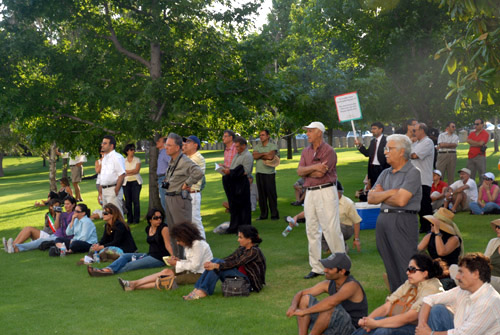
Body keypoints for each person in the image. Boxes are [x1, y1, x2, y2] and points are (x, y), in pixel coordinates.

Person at [368, 134, 422, 292]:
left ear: (401, 151)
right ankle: (397, 297)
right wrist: (391, 192)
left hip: (402, 220)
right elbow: (371, 197)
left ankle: (411, 300)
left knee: (405, 263)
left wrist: (382, 195)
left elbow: (401, 201)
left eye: (389, 148)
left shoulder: (413, 172)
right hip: (383, 220)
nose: (385, 152)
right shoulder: (385, 173)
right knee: (389, 262)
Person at [354, 254, 444, 335]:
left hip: (421, 330)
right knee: (367, 328)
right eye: (408, 269)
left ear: (425, 273)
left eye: (412, 269)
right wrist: (367, 321)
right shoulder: (409, 283)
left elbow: (409, 317)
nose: (407, 272)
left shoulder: (432, 288)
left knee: (383, 331)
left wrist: (376, 324)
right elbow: (387, 307)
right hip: (405, 323)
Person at [298, 121, 344, 279]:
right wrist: (314, 168)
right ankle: (316, 267)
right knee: (311, 229)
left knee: (331, 228)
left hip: (326, 190)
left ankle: (340, 265)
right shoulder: (306, 151)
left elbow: (321, 174)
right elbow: (300, 171)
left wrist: (307, 170)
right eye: (307, 131)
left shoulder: (329, 151)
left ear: (319, 132)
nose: (307, 134)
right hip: (310, 192)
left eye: (310, 131)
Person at [416, 253, 500, 335]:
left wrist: (430, 333)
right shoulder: (463, 290)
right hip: (457, 330)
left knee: (437, 311)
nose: (457, 277)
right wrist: (422, 326)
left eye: (461, 272)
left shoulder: (489, 302)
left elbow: (463, 333)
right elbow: (429, 300)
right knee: (436, 310)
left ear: (475, 274)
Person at [286, 253, 368, 335]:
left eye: (330, 268)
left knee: (329, 307)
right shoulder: (329, 284)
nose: (325, 270)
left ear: (342, 271)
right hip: (337, 323)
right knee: (305, 299)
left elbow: (331, 302)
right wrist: (293, 306)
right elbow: (301, 293)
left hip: (354, 330)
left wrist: (304, 312)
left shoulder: (352, 285)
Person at [117, 222, 213, 291]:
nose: (178, 243)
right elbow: (191, 262)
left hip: (200, 274)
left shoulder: (197, 244)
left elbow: (195, 265)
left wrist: (177, 263)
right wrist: (179, 261)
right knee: (166, 272)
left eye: (179, 240)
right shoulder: (189, 244)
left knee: (168, 280)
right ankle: (134, 283)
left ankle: (135, 285)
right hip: (191, 269)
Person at [183, 225, 266, 300]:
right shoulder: (242, 248)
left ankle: (202, 291)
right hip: (240, 278)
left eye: (241, 237)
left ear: (249, 240)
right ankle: (198, 289)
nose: (238, 240)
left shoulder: (254, 251)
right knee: (215, 260)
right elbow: (230, 258)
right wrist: (212, 263)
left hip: (249, 284)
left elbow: (237, 262)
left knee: (217, 265)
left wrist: (216, 265)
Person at [87, 208, 171, 276]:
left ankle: (106, 272)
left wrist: (173, 257)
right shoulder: (148, 229)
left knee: (130, 265)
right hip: (149, 254)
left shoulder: (164, 228)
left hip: (159, 259)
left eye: (160, 218)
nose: (159, 220)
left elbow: (168, 245)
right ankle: (107, 269)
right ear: (150, 220)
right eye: (156, 218)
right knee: (125, 257)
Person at [287, 181, 362, 252]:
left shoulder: (348, 203)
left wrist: (356, 239)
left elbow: (356, 221)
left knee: (329, 228)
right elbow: (311, 211)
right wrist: (296, 217)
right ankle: (331, 248)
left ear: (339, 192)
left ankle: (342, 248)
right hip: (331, 225)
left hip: (346, 228)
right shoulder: (325, 200)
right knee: (314, 230)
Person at [162, 133, 203, 257]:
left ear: (177, 147)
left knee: (182, 232)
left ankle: (188, 261)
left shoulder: (184, 160)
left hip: (179, 199)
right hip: (169, 198)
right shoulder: (173, 160)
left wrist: (187, 183)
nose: (166, 147)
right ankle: (178, 262)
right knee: (174, 232)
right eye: (166, 145)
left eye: (169, 145)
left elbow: (198, 172)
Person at [223, 136, 254, 234]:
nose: (236, 149)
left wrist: (231, 172)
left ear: (244, 145)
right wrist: (226, 168)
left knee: (243, 206)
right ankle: (235, 227)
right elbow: (233, 167)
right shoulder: (237, 155)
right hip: (233, 182)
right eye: (235, 147)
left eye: (237, 147)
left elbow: (246, 171)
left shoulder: (247, 155)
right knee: (234, 205)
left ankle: (244, 229)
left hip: (241, 183)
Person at [411, 122, 435, 233]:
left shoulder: (428, 142)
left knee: (425, 204)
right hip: (415, 178)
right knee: (418, 204)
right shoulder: (417, 143)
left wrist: (404, 153)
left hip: (424, 178)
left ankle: (430, 226)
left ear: (422, 130)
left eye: (415, 130)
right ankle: (423, 226)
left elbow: (415, 156)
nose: (413, 132)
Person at [182, 135, 206, 238]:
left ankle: (203, 248)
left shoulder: (196, 158)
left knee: (195, 222)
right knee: (190, 223)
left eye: (188, 142)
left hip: (192, 193)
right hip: (188, 194)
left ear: (195, 145)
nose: (185, 144)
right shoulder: (189, 157)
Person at [253, 129, 280, 220]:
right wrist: (264, 153)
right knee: (261, 195)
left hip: (269, 174)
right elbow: (254, 156)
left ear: (268, 136)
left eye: (263, 135)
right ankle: (263, 215)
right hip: (259, 173)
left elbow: (270, 156)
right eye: (260, 135)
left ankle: (274, 215)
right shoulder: (257, 146)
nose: (261, 137)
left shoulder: (273, 146)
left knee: (271, 194)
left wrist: (260, 155)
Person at [355, 122, 390, 189]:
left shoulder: (386, 141)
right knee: (374, 187)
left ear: (380, 129)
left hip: (382, 168)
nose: (372, 130)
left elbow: (388, 155)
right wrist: (360, 145)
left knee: (383, 187)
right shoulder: (373, 141)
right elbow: (367, 153)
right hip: (372, 169)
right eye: (372, 129)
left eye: (374, 128)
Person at [98, 135, 126, 215]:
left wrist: (116, 189)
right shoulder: (104, 158)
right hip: (104, 190)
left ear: (111, 146)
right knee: (107, 215)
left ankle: (120, 228)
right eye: (102, 143)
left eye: (105, 143)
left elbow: (122, 174)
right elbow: (102, 175)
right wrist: (100, 190)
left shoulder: (117, 157)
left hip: (113, 189)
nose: (102, 145)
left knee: (116, 214)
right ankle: (109, 228)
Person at [122, 143, 142, 224]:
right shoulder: (123, 161)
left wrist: (128, 172)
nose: (133, 151)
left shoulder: (137, 160)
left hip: (136, 182)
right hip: (126, 183)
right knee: (128, 202)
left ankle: (136, 219)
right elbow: (123, 171)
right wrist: (131, 171)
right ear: (127, 151)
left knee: (136, 201)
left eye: (134, 149)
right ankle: (129, 219)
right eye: (131, 150)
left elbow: (136, 171)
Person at [484, 218, 500, 292]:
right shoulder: (493, 242)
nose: (497, 229)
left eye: (499, 227)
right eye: (496, 226)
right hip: (489, 277)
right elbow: (484, 261)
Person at [156, 136, 171, 215]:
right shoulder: (161, 153)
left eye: (159, 141)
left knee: (165, 202)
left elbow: (171, 164)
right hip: (161, 179)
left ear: (164, 143)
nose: (156, 142)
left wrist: (167, 178)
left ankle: (170, 223)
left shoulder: (165, 152)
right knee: (164, 201)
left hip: (164, 179)